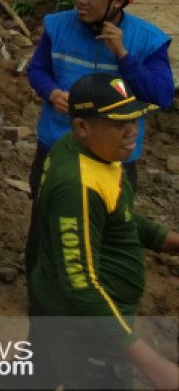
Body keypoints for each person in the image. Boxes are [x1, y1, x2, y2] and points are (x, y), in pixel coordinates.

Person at [23, 72, 179, 391]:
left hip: (80, 318)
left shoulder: (93, 153)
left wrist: (167, 240)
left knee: (40, 372)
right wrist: (150, 362)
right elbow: (80, 282)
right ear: (82, 127)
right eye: (119, 123)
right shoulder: (76, 185)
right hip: (85, 327)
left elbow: (116, 217)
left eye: (134, 119)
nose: (131, 131)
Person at [25, 0, 172, 196]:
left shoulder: (147, 40)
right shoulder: (58, 26)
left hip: (115, 157)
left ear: (118, 1)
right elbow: (38, 69)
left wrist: (123, 56)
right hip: (58, 145)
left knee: (111, 227)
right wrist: (51, 92)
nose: (81, 1)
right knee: (45, 221)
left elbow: (161, 95)